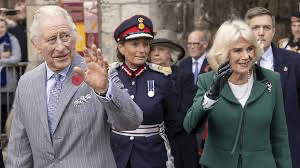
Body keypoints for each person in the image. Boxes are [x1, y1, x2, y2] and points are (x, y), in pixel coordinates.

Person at [5, 5, 143, 168]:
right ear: (36, 44)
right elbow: (19, 151)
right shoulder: (27, 83)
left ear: (74, 36)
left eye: (65, 36)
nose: (61, 46)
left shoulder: (97, 72)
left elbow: (131, 121)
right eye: (51, 39)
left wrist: (105, 90)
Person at [183, 19, 292, 168]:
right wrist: (211, 96)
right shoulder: (207, 81)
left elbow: (279, 137)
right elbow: (190, 126)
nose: (246, 56)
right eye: (238, 50)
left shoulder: (271, 80)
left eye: (250, 49)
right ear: (224, 53)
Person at [110, 15, 177, 168]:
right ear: (121, 48)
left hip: (152, 158)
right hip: (117, 157)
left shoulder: (162, 79)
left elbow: (172, 122)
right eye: (135, 44)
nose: (142, 50)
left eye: (146, 44)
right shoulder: (110, 78)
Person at [245, 7, 300, 168]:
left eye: (266, 28)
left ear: (274, 31)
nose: (261, 33)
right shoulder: (233, 64)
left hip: (287, 154)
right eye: (255, 28)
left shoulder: (294, 62)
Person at [149, 30, 199, 168]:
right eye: (152, 49)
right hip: (152, 145)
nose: (155, 53)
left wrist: (162, 132)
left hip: (179, 143)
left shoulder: (184, 77)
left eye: (161, 49)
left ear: (171, 53)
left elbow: (186, 111)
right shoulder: (146, 77)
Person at [178, 30, 211, 160]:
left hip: (206, 119)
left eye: (195, 43)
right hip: (188, 119)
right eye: (189, 44)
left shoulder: (213, 63)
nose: (191, 47)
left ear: (205, 45)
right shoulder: (183, 64)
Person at [0, 16, 21, 133]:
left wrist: (3, 60)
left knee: (7, 114)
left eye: (2, 27)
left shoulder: (11, 39)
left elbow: (17, 58)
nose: (0, 29)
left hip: (8, 85)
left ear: (6, 27)